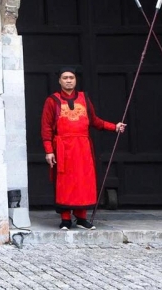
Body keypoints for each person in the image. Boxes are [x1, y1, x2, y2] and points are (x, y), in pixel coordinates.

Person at [41, 67, 125, 230]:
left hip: (83, 148)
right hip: (62, 148)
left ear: (75, 80)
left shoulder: (84, 98)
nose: (68, 80)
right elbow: (46, 128)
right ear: (59, 80)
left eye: (71, 77)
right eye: (65, 77)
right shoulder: (52, 100)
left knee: (83, 181)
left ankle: (81, 218)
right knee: (64, 183)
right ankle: (65, 219)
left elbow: (94, 121)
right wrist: (49, 150)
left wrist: (113, 127)